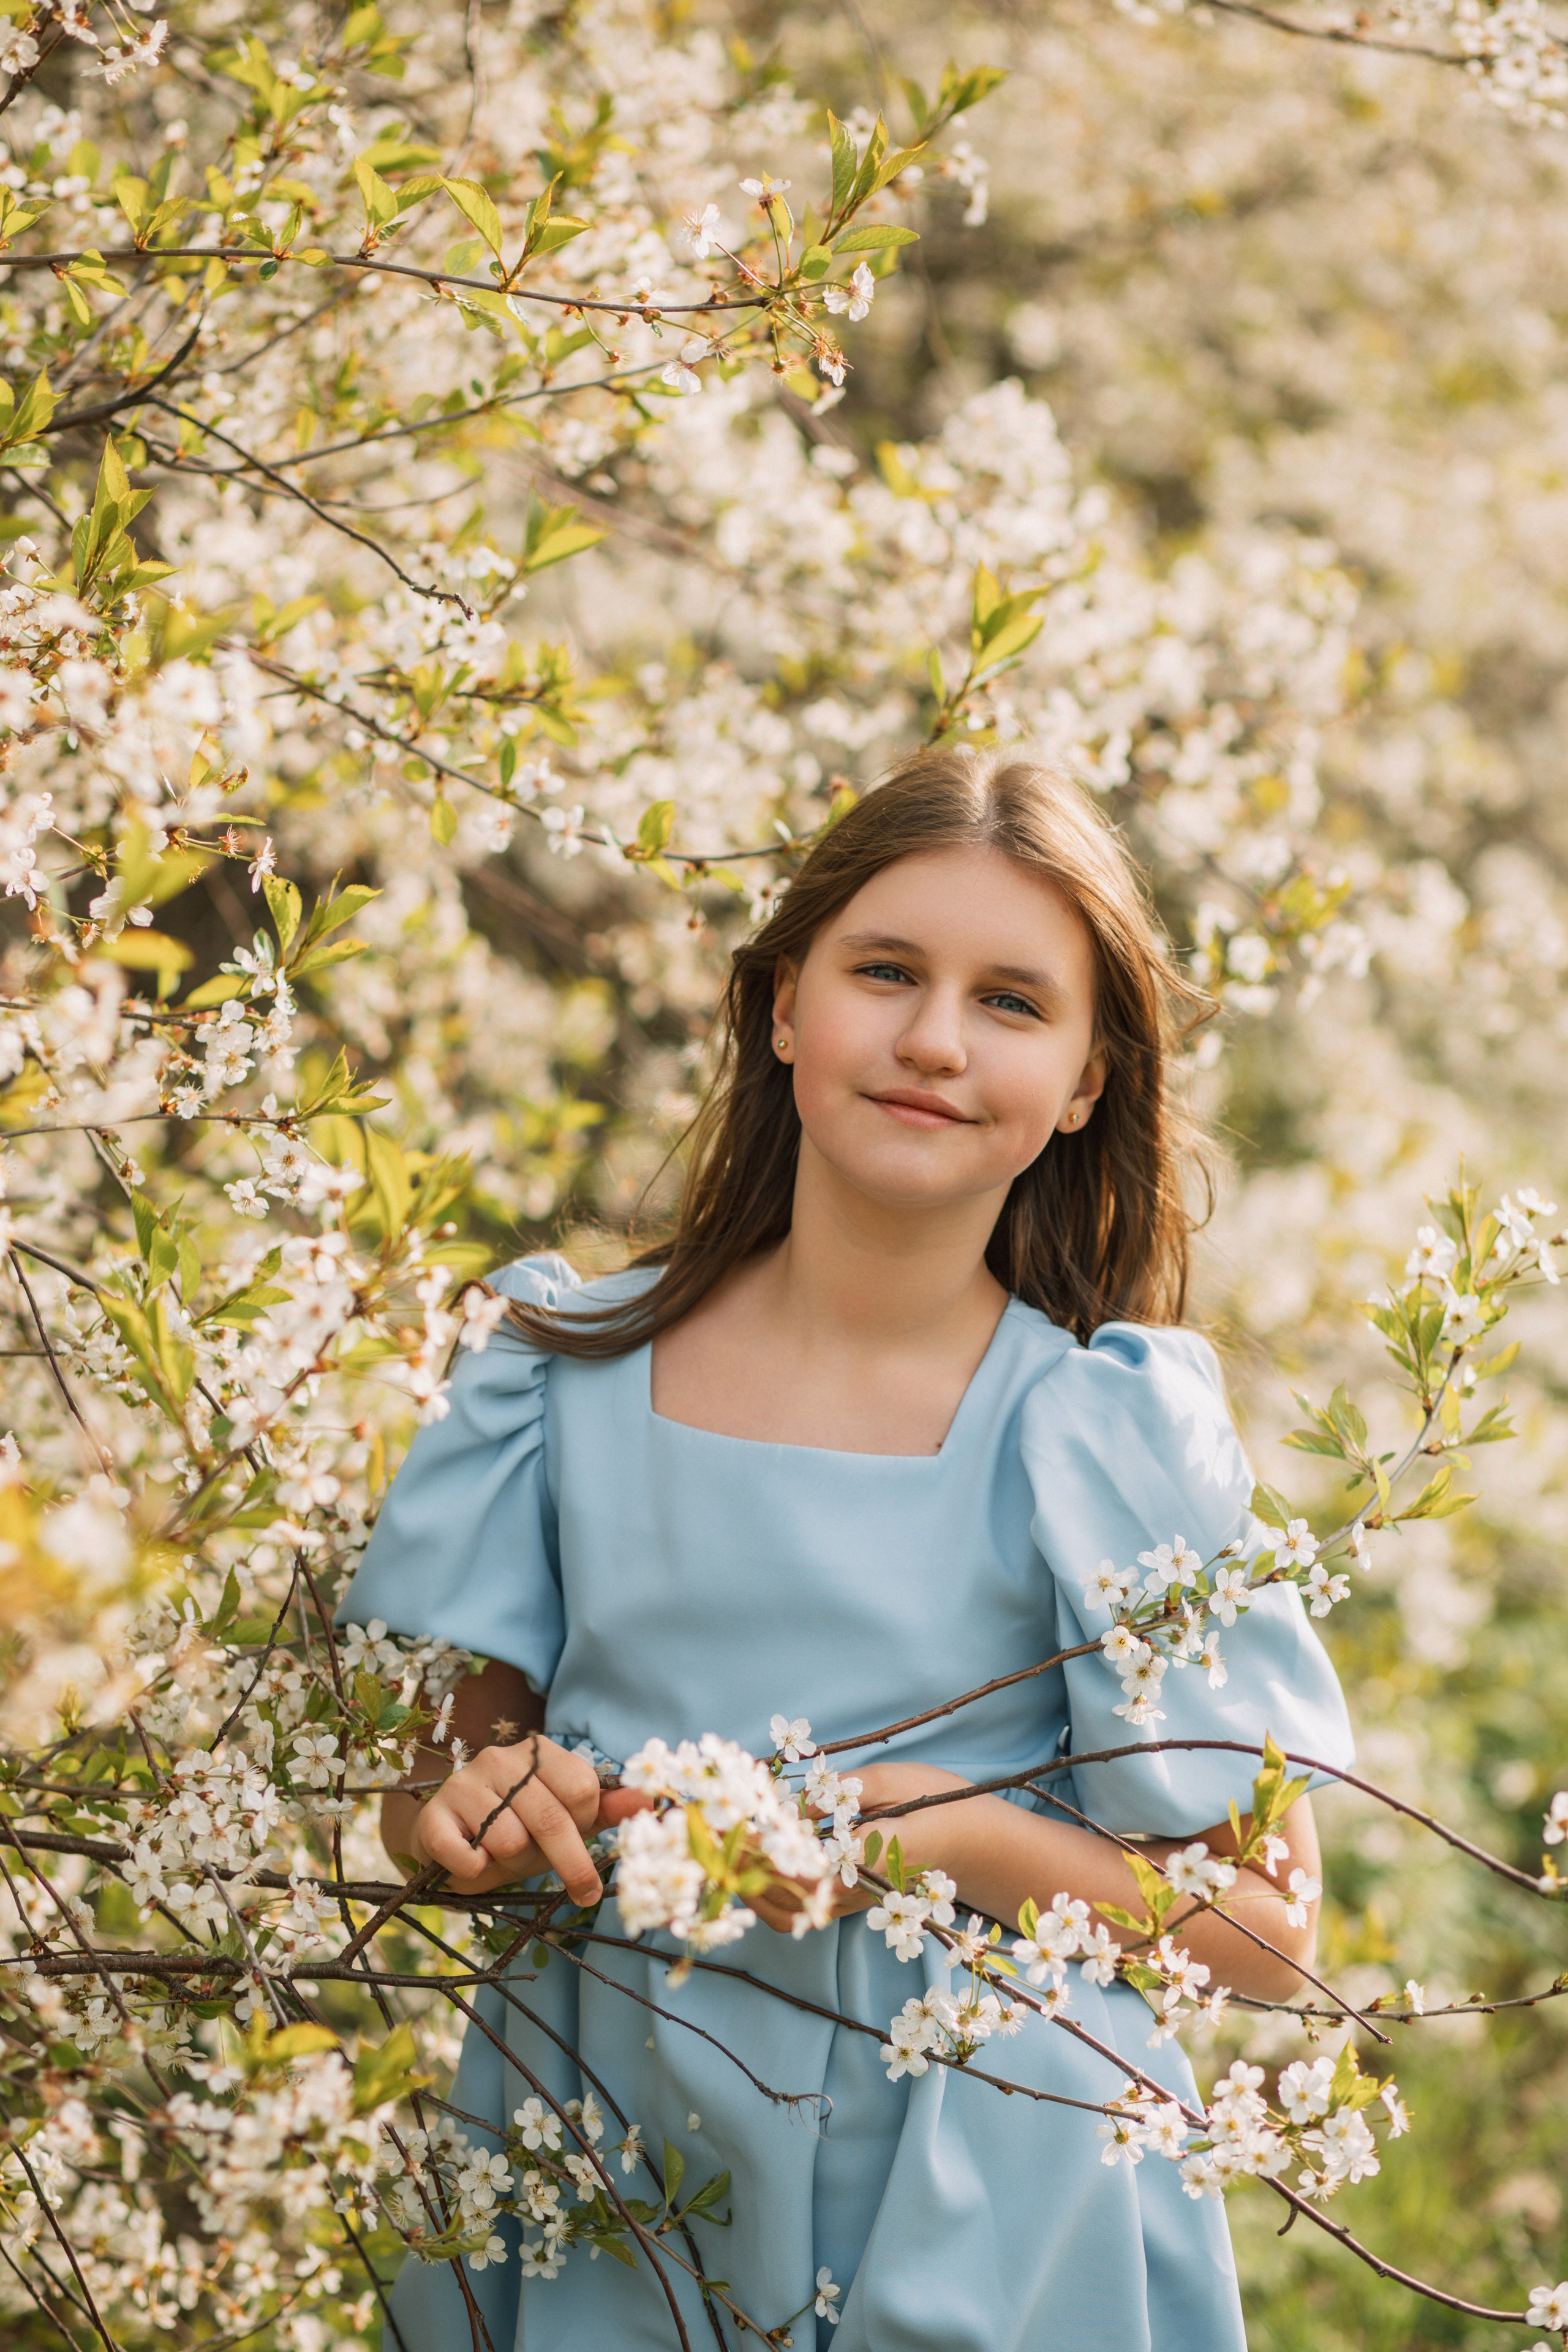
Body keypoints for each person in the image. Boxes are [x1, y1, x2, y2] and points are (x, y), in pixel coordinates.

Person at [338, 745, 1354, 2351]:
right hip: (614, 2137)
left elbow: (1268, 1933)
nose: (937, 1040)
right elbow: (435, 1806)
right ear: (783, 1006)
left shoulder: (1115, 1432)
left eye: (1014, 1002)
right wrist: (476, 1811)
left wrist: (938, 1830)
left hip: (994, 2172)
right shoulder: (556, 1370)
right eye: (888, 972)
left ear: (1089, 1082)